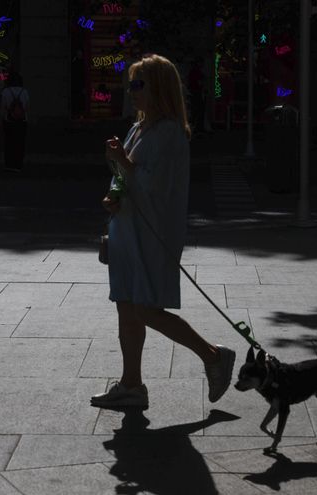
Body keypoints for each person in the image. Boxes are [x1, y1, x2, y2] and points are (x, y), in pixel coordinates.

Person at [91, 54, 236, 409]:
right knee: (126, 306)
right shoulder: (138, 127)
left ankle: (213, 355)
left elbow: (158, 186)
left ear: (158, 87)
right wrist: (114, 192)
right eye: (131, 84)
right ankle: (131, 384)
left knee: (146, 309)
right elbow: (127, 178)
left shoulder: (171, 132)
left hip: (153, 232)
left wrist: (123, 164)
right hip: (127, 228)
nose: (131, 92)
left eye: (138, 84)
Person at [1, 72, 30, 172]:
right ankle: (18, 164)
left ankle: (9, 163)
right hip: (22, 120)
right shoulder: (24, 92)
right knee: (20, 143)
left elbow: (3, 106)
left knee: (9, 143)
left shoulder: (5, 91)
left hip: (8, 120)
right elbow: (26, 107)